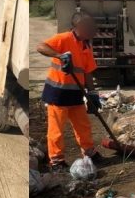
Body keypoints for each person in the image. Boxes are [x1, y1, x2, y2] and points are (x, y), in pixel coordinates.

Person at [36, 12, 103, 171]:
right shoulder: (64, 38)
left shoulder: (86, 45)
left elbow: (87, 71)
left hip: (76, 94)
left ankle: (89, 152)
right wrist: (60, 56)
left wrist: (92, 94)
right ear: (78, 27)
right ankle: (57, 161)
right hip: (57, 93)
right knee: (57, 130)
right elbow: (40, 47)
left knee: (83, 126)